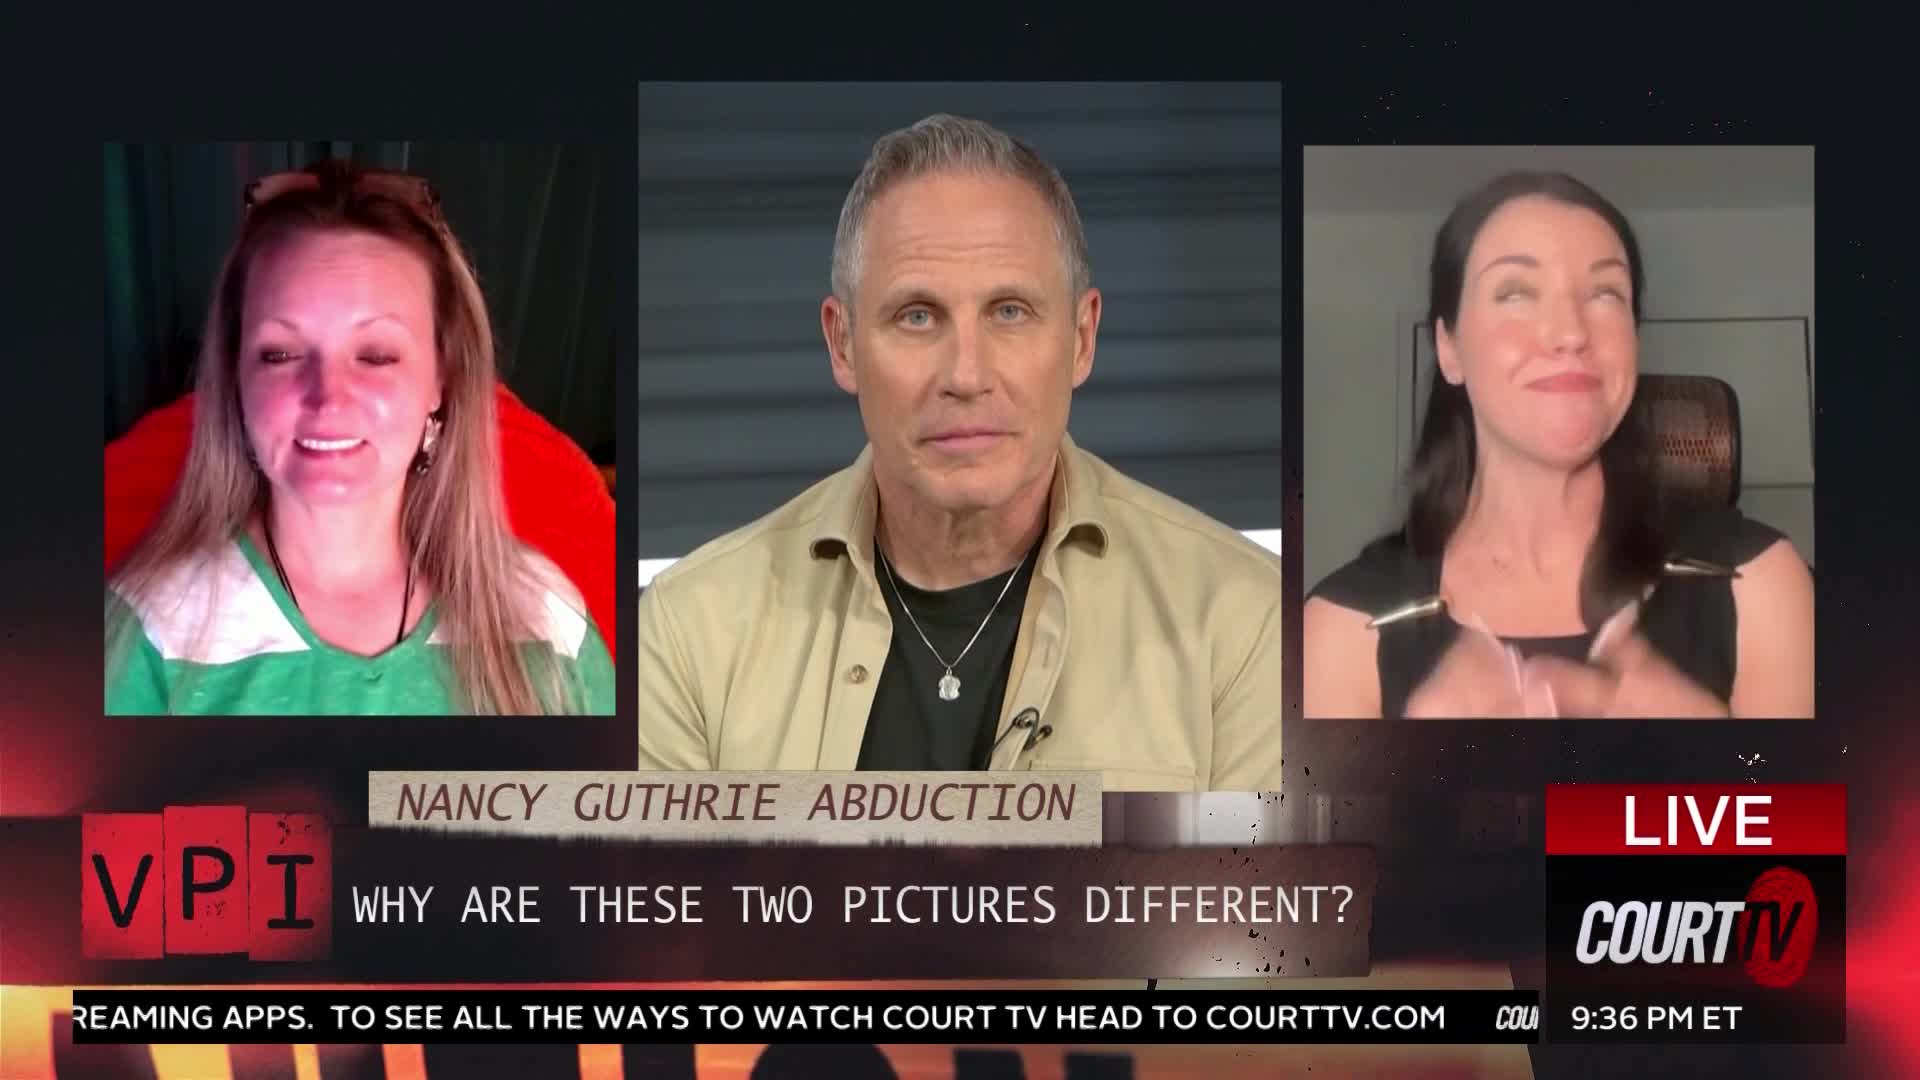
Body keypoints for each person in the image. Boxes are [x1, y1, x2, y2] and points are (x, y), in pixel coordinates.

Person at [634, 114, 1284, 790]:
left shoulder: (1243, 625)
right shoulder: (688, 635)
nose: (966, 376)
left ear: (1082, 338)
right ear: (843, 344)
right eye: (916, 316)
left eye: (1009, 312)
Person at [105, 160, 616, 715]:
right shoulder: (148, 638)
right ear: (234, 381)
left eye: (376, 355)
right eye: (280, 354)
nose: (328, 397)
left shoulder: (547, 623)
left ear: (440, 383)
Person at [1304, 171, 1815, 719]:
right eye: (1516, 292)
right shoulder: (1344, 628)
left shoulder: (1760, 582)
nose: (1570, 331)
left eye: (1604, 293)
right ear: (1448, 346)